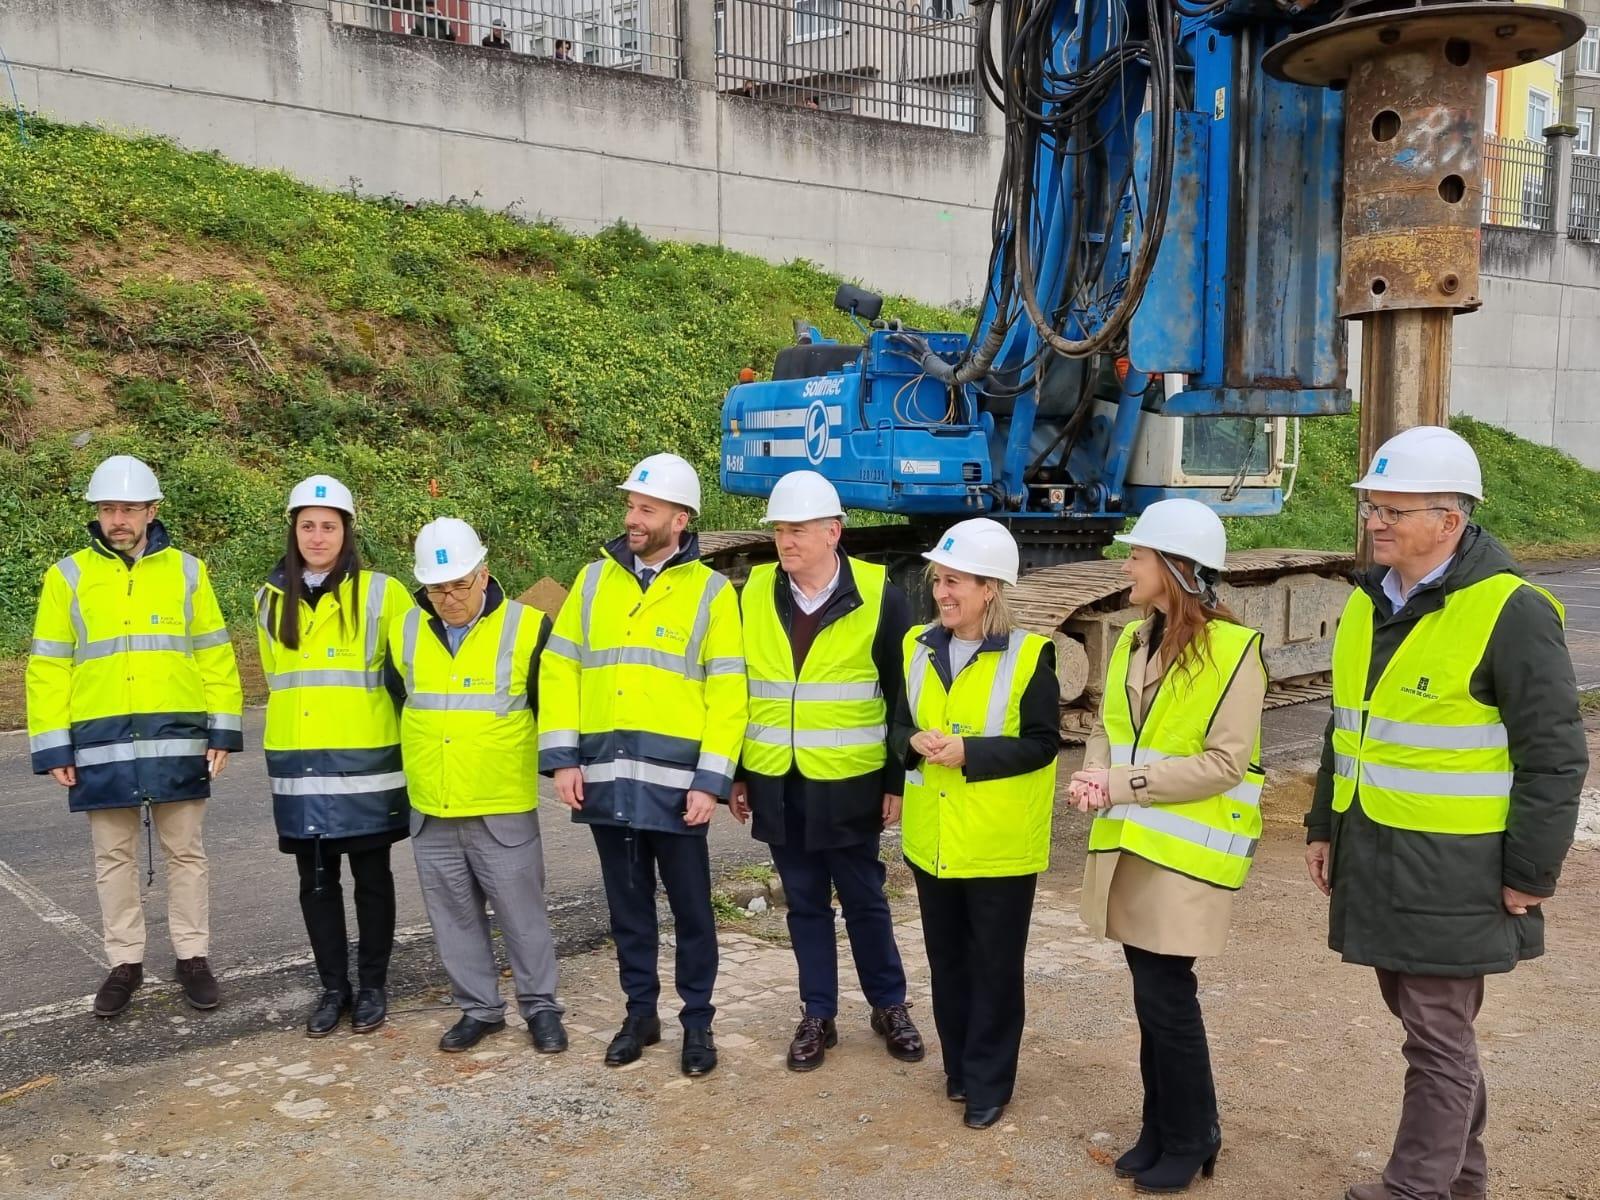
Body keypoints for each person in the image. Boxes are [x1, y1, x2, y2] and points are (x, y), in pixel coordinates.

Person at [1303, 426, 1585, 1200]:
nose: (1377, 522)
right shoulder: (1368, 604)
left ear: (1449, 521)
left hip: (1456, 868)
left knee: (1435, 1034)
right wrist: (1325, 824)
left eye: (1394, 509)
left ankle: (1414, 1190)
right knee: (1434, 1029)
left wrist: (1531, 874)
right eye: (1373, 507)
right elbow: (1346, 724)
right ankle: (1460, 1181)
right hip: (1381, 853)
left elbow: (1555, 757)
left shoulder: (1513, 611)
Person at [1070, 498, 1266, 1194]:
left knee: (1166, 996)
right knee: (1152, 997)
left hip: (1185, 858)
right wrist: (1097, 776)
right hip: (1132, 846)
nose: (1127, 564)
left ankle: (1192, 1134)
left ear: (1176, 569)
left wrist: (1123, 782)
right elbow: (1109, 724)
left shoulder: (1233, 653)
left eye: (1138, 555)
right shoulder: (1133, 639)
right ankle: (1166, 1125)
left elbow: (1226, 764)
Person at [541, 453, 747, 1077]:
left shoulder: (711, 592)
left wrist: (712, 782)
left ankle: (698, 1025)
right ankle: (640, 1016)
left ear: (679, 520)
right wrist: (563, 761)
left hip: (679, 791)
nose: (632, 517)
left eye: (645, 508)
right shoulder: (594, 582)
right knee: (627, 910)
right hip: (606, 779)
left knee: (691, 914)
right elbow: (561, 668)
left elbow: (728, 693)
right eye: (630, 505)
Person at [26, 454, 243, 1017]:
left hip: (177, 737)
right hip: (100, 740)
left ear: (152, 509)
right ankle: (125, 962)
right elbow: (48, 665)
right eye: (106, 509)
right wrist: (53, 744)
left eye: (127, 508)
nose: (117, 518)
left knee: (186, 853)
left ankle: (192, 956)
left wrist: (222, 729)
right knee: (112, 857)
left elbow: (216, 654)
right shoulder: (67, 576)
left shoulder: (189, 572)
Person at [729, 470, 923, 1072]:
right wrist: (736, 773)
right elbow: (738, 690)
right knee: (804, 903)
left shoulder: (880, 593)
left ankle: (889, 1005)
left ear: (833, 531)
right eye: (780, 530)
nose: (786, 541)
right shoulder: (754, 592)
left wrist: (896, 780)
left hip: (851, 782)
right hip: (777, 780)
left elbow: (903, 695)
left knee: (865, 898)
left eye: (799, 530)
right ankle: (818, 1013)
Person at [889, 518, 1058, 1130]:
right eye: (939, 580)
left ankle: (990, 1083)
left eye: (955, 581)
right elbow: (895, 728)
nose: (942, 593)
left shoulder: (1031, 656)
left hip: (997, 845)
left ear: (990, 588)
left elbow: (1044, 744)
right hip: (932, 842)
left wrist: (972, 753)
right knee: (948, 962)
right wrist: (913, 741)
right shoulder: (918, 646)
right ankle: (959, 1069)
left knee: (993, 967)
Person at [389, 518, 567, 1054]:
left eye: (459, 585)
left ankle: (541, 1008)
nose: (448, 598)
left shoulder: (527, 628)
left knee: (523, 916)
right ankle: (479, 1009)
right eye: (436, 588)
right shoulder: (403, 630)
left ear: (483, 574)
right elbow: (402, 699)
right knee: (453, 917)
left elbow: (550, 708)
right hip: (433, 805)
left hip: (500, 803)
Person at [257, 476, 414, 1038]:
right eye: (307, 526)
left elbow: (406, 678)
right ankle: (333, 988)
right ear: (293, 530)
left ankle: (372, 984)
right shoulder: (270, 598)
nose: (317, 537)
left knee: (372, 878)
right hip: (300, 767)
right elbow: (281, 681)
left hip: (366, 764)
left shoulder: (382, 593)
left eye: (328, 526)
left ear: (347, 531)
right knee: (316, 881)